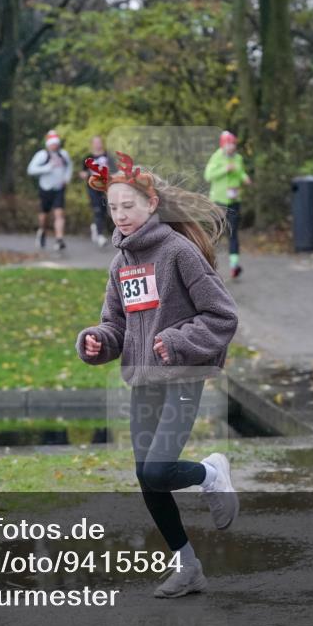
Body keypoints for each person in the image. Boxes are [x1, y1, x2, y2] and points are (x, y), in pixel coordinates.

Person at [76, 152, 239, 599]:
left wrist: (179, 341)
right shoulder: (121, 263)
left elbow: (222, 315)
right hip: (143, 380)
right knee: (147, 477)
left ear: (151, 204)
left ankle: (211, 474)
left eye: (128, 205)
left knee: (161, 468)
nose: (121, 215)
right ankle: (188, 567)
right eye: (113, 207)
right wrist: (96, 341)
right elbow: (116, 326)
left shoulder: (178, 251)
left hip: (182, 376)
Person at [203, 131, 251, 278]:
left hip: (234, 200)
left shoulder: (238, 158)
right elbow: (208, 176)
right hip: (218, 201)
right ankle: (207, 265)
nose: (232, 147)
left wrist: (244, 177)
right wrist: (225, 169)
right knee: (215, 234)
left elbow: (240, 172)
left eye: (233, 144)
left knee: (233, 234)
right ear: (223, 145)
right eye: (229, 144)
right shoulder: (217, 157)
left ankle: (234, 266)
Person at [27, 130, 73, 251]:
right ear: (48, 144)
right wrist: (47, 168)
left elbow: (69, 166)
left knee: (59, 213)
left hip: (59, 188)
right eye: (52, 144)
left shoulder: (63, 154)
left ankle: (59, 240)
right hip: (45, 188)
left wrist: (66, 178)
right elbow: (31, 170)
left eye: (56, 144)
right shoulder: (42, 155)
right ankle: (42, 231)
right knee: (44, 216)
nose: (54, 146)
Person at [79, 136, 114, 248]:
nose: (98, 144)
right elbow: (82, 173)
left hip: (107, 187)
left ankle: (96, 227)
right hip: (93, 187)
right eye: (95, 142)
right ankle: (100, 236)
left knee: (106, 210)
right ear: (92, 144)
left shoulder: (108, 157)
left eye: (99, 142)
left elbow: (115, 170)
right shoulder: (88, 158)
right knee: (98, 210)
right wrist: (84, 175)